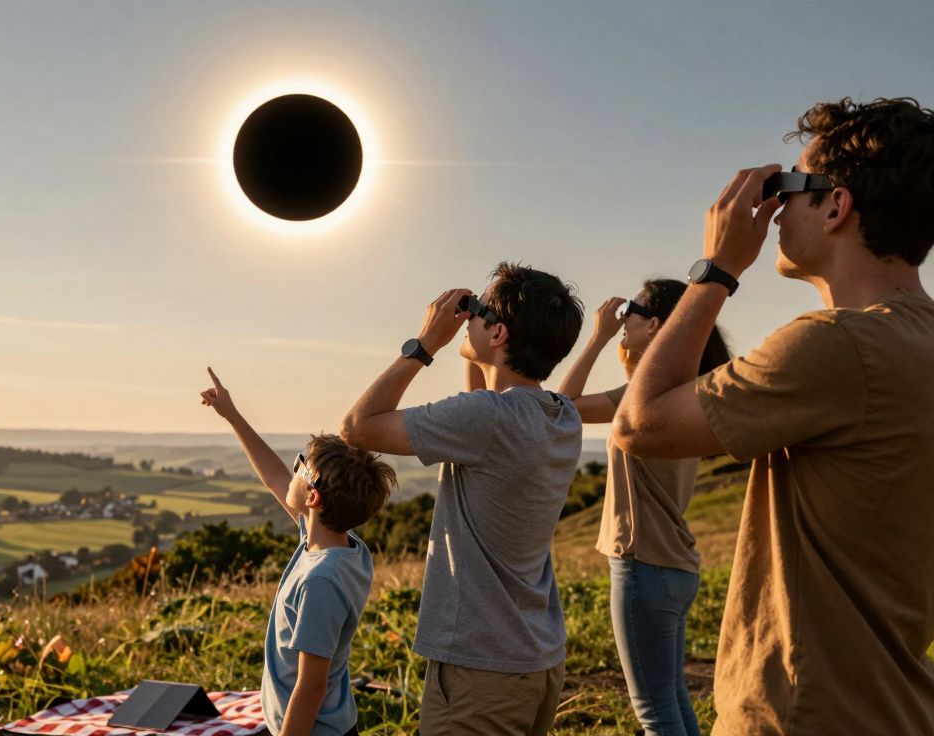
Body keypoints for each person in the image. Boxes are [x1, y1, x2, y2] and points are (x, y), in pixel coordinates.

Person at [613, 97, 934, 734]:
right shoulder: (916, 340)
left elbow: (638, 425)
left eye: (789, 187)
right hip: (889, 702)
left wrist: (717, 268)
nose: (776, 208)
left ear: (837, 205)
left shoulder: (836, 345)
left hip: (806, 709)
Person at [340, 263, 584, 736]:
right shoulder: (562, 417)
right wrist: (478, 342)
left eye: (480, 314)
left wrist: (426, 343)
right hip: (535, 657)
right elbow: (484, 411)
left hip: (479, 668)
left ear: (498, 332)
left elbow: (358, 427)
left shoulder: (488, 420)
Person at [558, 281, 731, 736]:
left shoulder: (640, 396)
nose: (622, 320)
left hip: (643, 565)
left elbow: (560, 407)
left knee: (655, 712)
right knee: (673, 700)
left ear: (655, 324)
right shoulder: (690, 391)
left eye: (631, 310)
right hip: (676, 567)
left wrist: (595, 338)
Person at [199, 367, 395, 736]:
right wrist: (232, 415)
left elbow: (311, 686)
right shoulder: (338, 541)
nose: (293, 470)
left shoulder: (322, 580)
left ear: (313, 497)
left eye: (300, 467)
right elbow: (275, 477)